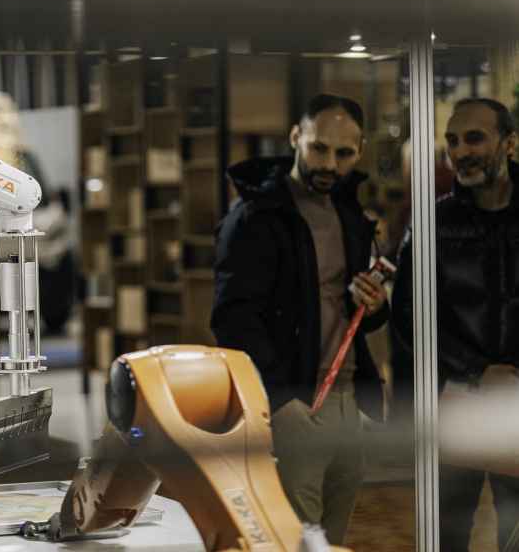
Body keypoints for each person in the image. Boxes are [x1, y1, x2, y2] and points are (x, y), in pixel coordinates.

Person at [210, 94, 389, 545]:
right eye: (318, 148)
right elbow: (232, 319)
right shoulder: (254, 218)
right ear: (295, 137)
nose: (329, 164)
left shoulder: (350, 214)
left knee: (333, 540)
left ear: (360, 151)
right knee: (296, 541)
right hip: (292, 404)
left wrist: (373, 305)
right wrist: (282, 401)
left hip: (348, 400)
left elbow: (352, 311)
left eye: (343, 153)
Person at [392, 97, 519, 551]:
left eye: (474, 138)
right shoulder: (432, 220)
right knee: (446, 534)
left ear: (510, 143)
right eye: (452, 141)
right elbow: (408, 314)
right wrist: (476, 371)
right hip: (455, 398)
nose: (461, 152)